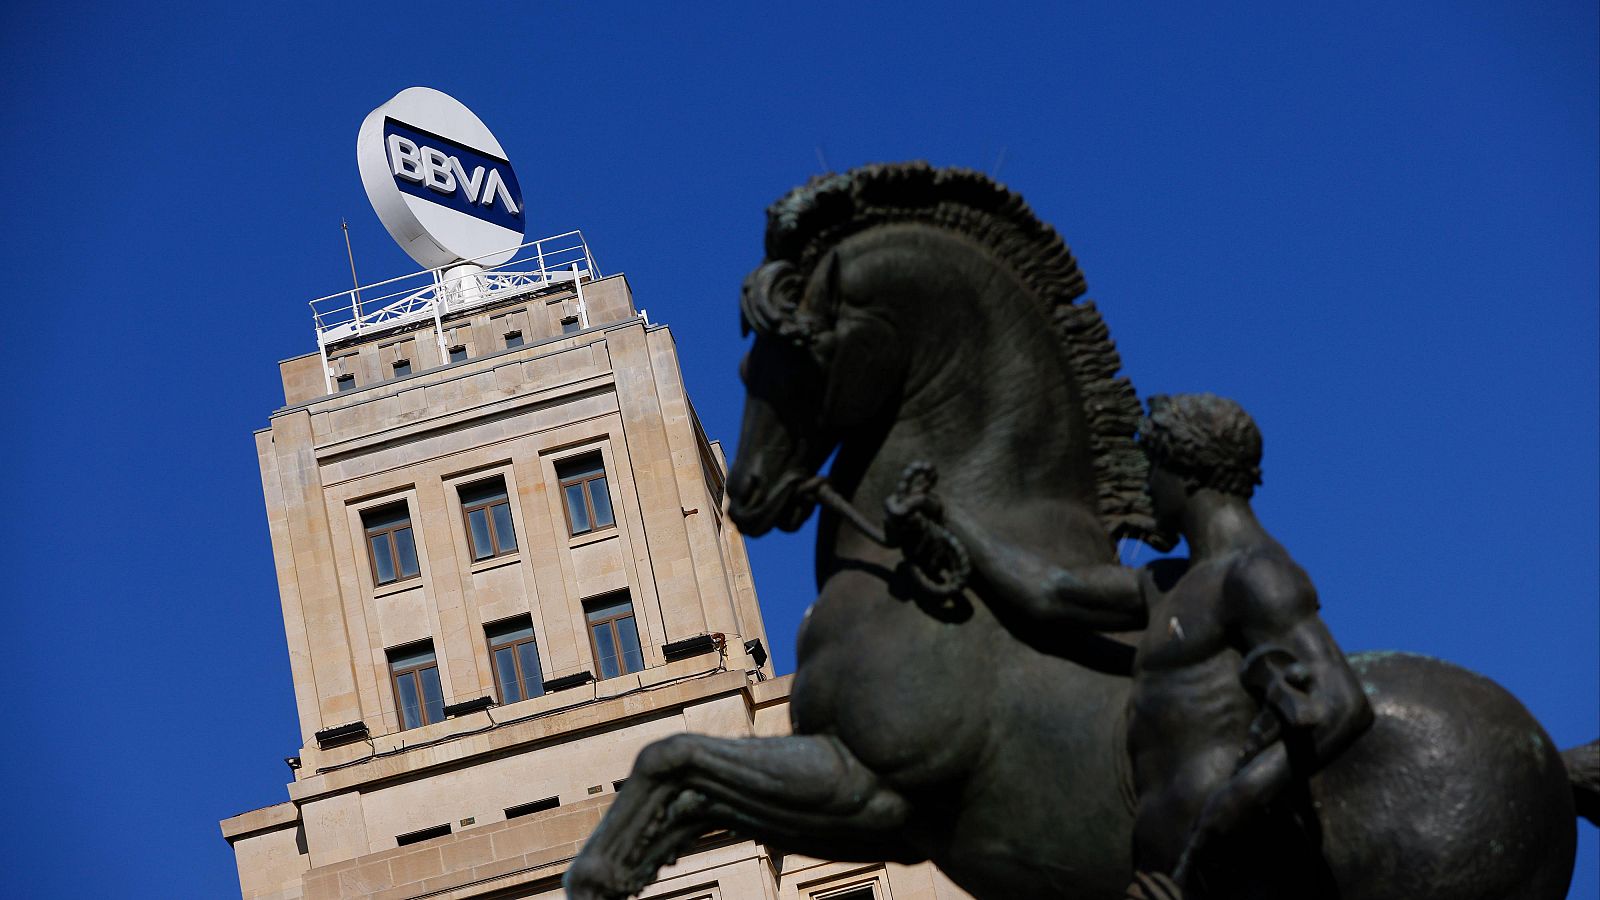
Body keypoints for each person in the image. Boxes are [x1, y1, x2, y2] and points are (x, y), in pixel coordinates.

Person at [884, 393, 1373, 898]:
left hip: (1232, 861)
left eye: (1152, 471)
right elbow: (1053, 591)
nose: (1147, 489)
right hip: (1167, 871)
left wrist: (1240, 798)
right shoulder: (1168, 583)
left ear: (1185, 473)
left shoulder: (1255, 573)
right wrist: (946, 516)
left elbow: (1341, 703)